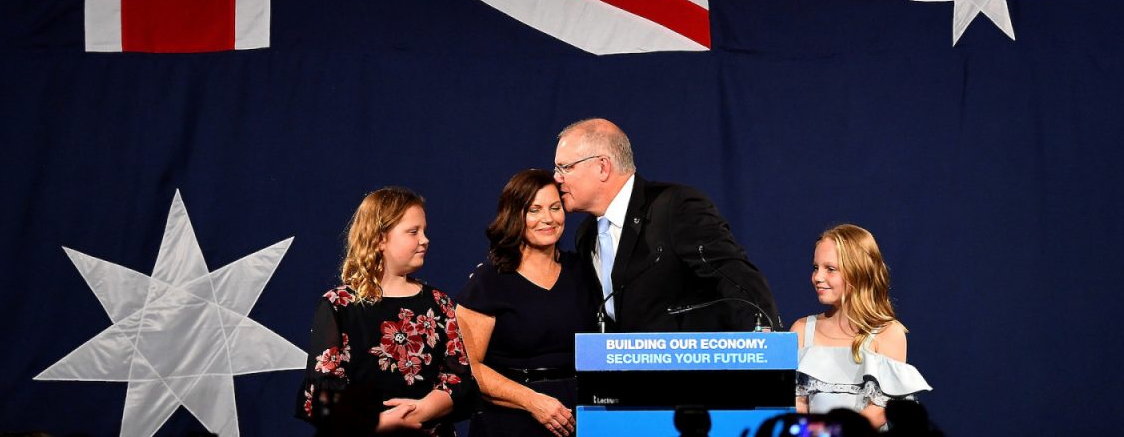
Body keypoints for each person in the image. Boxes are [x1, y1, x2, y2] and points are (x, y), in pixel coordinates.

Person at [554, 117, 779, 332]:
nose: (557, 178)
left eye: (565, 167)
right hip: (623, 369)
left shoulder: (675, 207)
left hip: (687, 367)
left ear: (603, 167)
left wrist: (764, 339)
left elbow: (734, 276)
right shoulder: (586, 234)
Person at [296, 188, 477, 436]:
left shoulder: (438, 303)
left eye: (424, 231)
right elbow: (321, 395)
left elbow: (460, 380)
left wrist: (422, 408)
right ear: (380, 238)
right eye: (413, 232)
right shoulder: (339, 305)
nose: (425, 240)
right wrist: (378, 423)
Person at [455, 170, 596, 437]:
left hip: (580, 418)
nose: (548, 218)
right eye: (535, 210)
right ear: (514, 215)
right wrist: (533, 401)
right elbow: (468, 366)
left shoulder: (582, 271)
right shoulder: (488, 281)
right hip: (511, 422)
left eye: (555, 208)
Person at [789, 224, 931, 430]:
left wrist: (833, 433)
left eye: (830, 269)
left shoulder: (888, 333)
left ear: (859, 272)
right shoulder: (802, 330)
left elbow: (881, 408)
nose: (818, 277)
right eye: (815, 267)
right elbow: (797, 404)